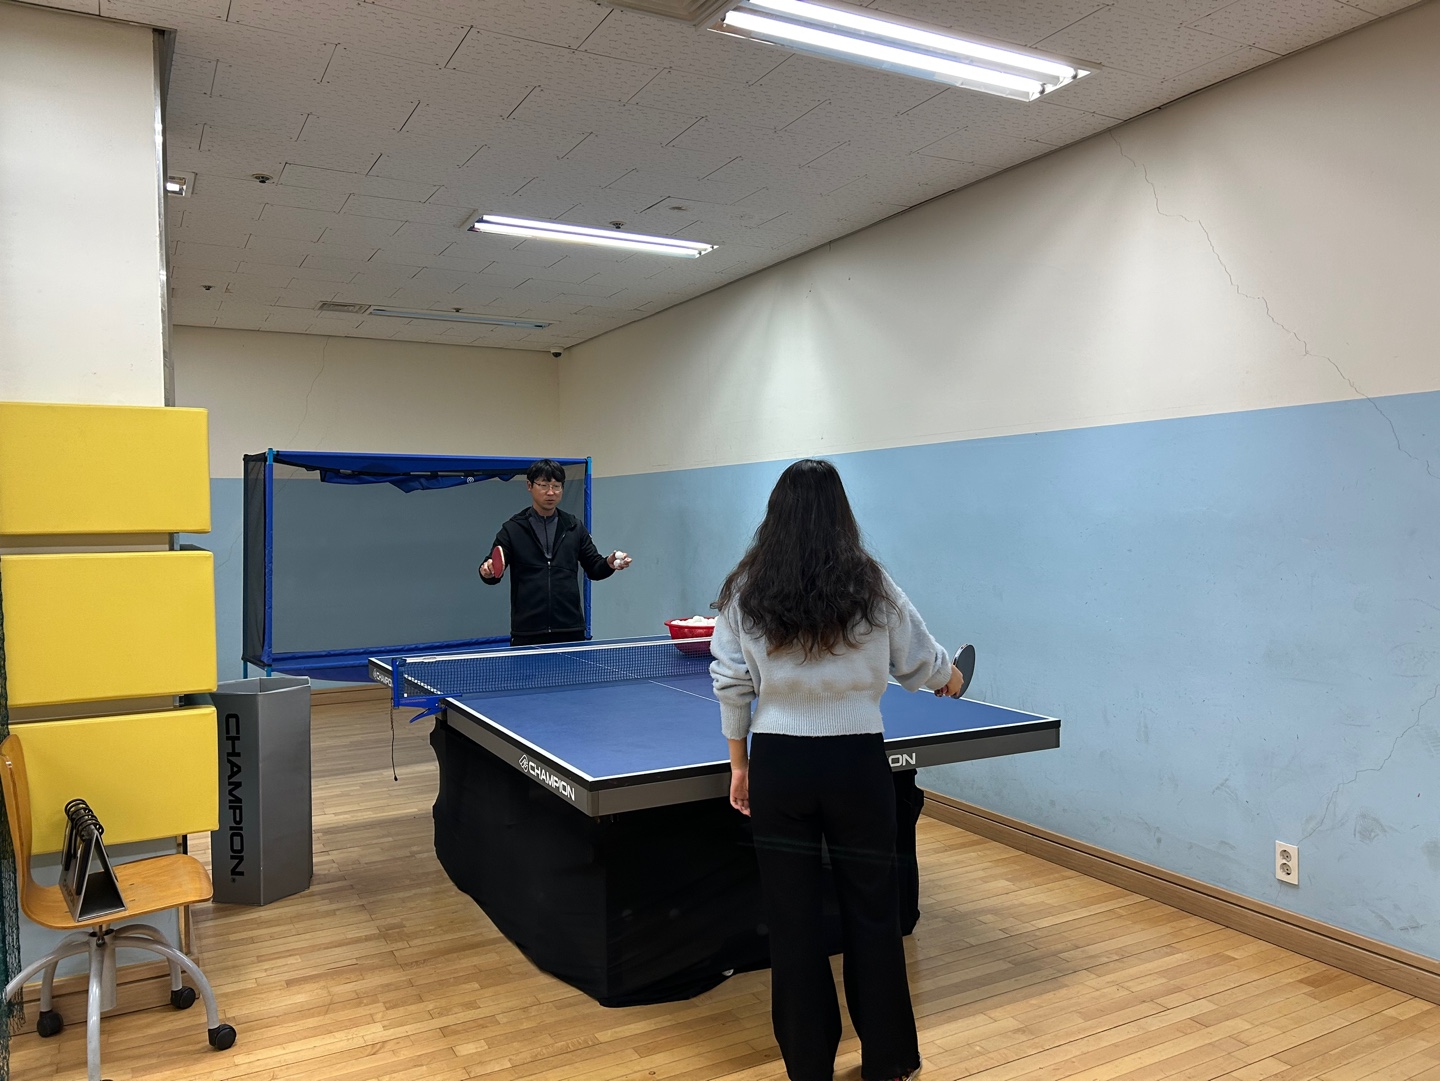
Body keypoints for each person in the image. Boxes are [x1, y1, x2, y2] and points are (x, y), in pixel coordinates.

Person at [709, 459, 965, 1081]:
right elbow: (920, 661)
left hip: (780, 765)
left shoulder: (746, 589)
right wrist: (950, 675)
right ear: (841, 514)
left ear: (775, 514)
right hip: (856, 765)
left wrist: (740, 764)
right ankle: (888, 1061)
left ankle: (808, 1066)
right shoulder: (872, 584)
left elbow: (732, 682)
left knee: (792, 921)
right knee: (872, 912)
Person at [478, 459, 632, 646]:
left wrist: (609, 563)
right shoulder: (513, 529)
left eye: (556, 486)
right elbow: (492, 568)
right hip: (528, 631)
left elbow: (594, 568)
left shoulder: (574, 527)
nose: (551, 492)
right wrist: (487, 571)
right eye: (544, 485)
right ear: (529, 486)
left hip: (570, 629)